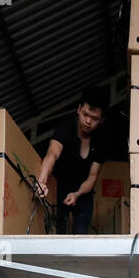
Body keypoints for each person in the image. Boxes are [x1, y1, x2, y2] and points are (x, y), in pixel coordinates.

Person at [35, 86, 108, 234]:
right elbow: (52, 154)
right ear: (79, 109)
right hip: (61, 187)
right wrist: (41, 181)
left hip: (84, 193)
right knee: (57, 231)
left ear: (101, 120)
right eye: (85, 114)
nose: (88, 121)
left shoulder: (102, 140)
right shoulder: (65, 128)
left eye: (94, 118)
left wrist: (77, 194)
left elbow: (92, 177)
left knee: (80, 235)